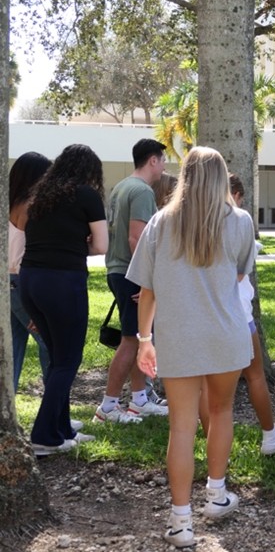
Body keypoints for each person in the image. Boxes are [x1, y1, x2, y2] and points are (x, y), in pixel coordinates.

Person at [129, 146, 256, 548]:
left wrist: (144, 341)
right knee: (221, 412)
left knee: (181, 428)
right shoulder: (240, 222)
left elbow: (147, 292)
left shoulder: (159, 223)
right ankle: (216, 495)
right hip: (227, 335)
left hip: (178, 336)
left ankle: (181, 522)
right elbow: (238, 275)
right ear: (222, 179)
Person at [198, 174, 275, 456]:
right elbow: (238, 274)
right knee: (254, 377)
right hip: (237, 313)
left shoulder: (196, 222)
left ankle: (212, 445)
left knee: (207, 385)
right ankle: (270, 435)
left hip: (203, 313)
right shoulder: (240, 221)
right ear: (237, 195)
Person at [20, 144, 108, 456]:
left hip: (30, 280)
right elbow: (101, 245)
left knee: (58, 359)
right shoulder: (87, 195)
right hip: (63, 281)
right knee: (68, 360)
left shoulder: (40, 196)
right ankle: (45, 435)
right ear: (90, 171)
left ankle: (62, 429)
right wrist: (78, 243)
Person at [95, 138, 169, 424]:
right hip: (130, 273)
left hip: (118, 269)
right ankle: (108, 407)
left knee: (139, 338)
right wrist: (146, 282)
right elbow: (136, 237)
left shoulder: (122, 187)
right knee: (129, 341)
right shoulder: (141, 192)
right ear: (152, 160)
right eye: (162, 160)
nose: (164, 166)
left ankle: (139, 400)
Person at [9, 152, 52, 392]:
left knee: (13, 348)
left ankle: (7, 410)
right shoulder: (31, 207)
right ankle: (54, 412)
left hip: (9, 281)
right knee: (48, 342)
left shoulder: (10, 202)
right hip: (22, 282)